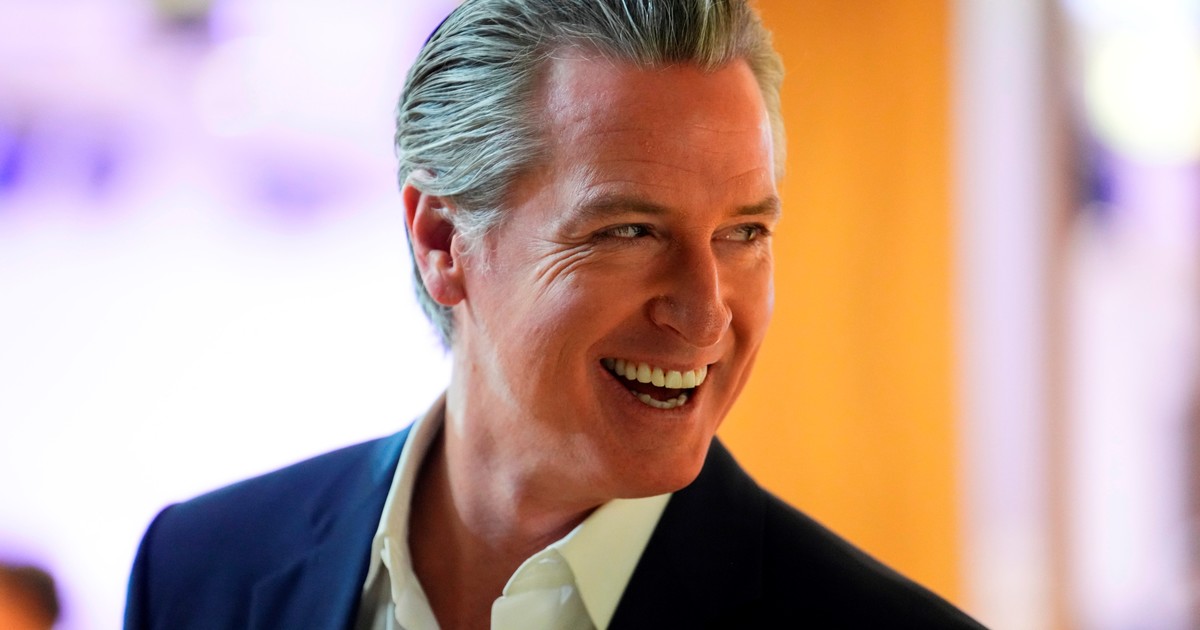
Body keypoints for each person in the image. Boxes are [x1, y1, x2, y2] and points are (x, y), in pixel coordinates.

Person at [125, 1, 986, 628]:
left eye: (744, 234)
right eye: (630, 230)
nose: (704, 313)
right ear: (442, 241)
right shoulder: (199, 572)